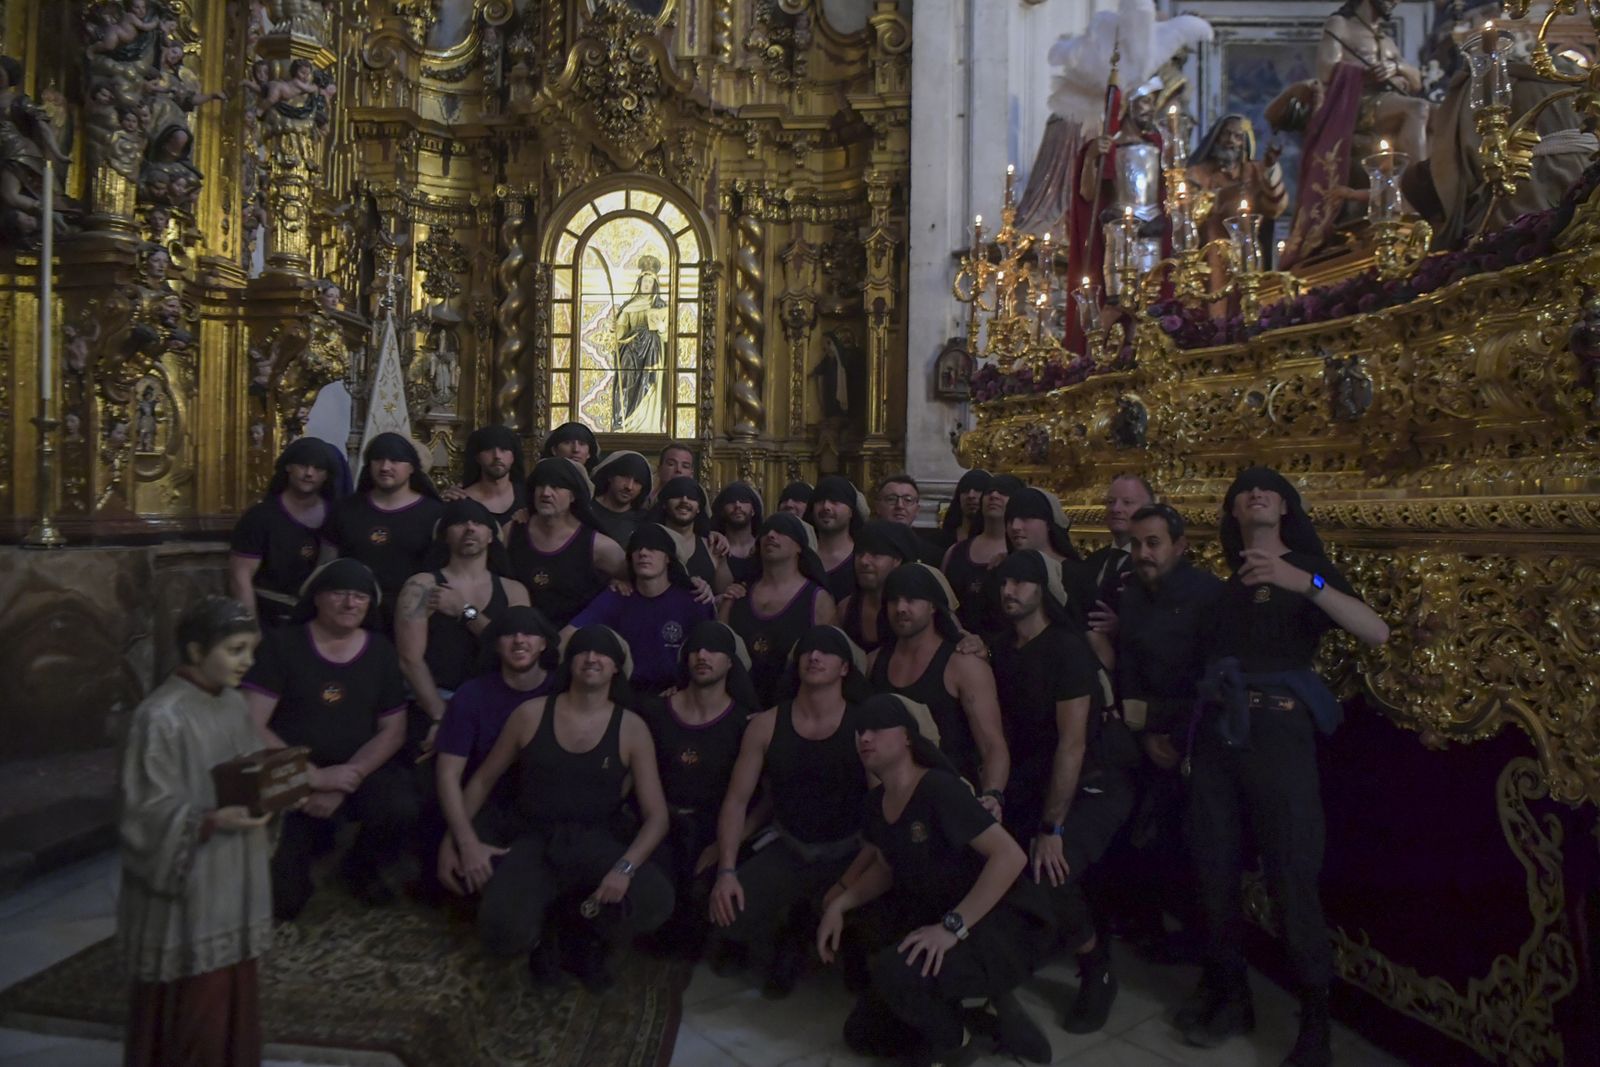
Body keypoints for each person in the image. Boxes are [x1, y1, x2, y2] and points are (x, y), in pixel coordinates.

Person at [1180, 468, 1388, 1066]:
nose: (1256, 491)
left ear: (1288, 507)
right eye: (1244, 488)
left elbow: (1376, 630)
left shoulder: (1307, 572)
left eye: (1269, 486)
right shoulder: (1223, 591)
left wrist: (1305, 581)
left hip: (1279, 738)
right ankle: (1230, 992)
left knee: (1292, 872)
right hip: (1221, 737)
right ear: (1233, 514)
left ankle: (1316, 1019)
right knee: (1212, 866)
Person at [818, 694, 1053, 1067]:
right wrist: (840, 904)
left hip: (990, 923)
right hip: (934, 915)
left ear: (908, 737)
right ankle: (974, 1017)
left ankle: (956, 1045)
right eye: (860, 730)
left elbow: (1010, 856)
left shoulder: (939, 788)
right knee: (862, 1034)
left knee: (897, 974)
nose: (865, 737)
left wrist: (952, 927)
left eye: (878, 728)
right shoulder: (876, 804)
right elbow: (885, 867)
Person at [458, 626, 675, 991]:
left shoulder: (631, 728)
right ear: (569, 663)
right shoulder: (530, 714)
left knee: (655, 900)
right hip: (534, 838)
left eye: (602, 653)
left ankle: (581, 931)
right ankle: (546, 933)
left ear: (615, 669)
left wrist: (624, 868)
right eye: (583, 651)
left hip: (597, 841)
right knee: (501, 933)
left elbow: (657, 818)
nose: (592, 658)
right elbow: (482, 781)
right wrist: (459, 839)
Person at [119, 597, 272, 1067]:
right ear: (193, 650)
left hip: (233, 869)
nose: (246, 662)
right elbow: (143, 811)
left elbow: (249, 770)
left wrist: (279, 788)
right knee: (194, 1006)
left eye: (250, 650)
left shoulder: (231, 704)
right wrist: (206, 820)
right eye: (235, 650)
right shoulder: (160, 716)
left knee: (231, 990)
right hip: (191, 878)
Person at [990, 549, 1132, 1034]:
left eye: (1022, 583)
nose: (1011, 591)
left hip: (1091, 783)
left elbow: (1071, 746)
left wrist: (1052, 828)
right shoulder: (1003, 647)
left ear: (1044, 589)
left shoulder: (1068, 650)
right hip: (1032, 783)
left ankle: (1098, 969)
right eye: (1005, 582)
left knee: (1052, 869)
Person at [241, 559, 417, 919]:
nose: (351, 603)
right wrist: (312, 778)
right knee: (282, 904)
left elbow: (393, 729)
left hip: (354, 773)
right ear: (317, 599)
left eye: (360, 596)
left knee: (402, 805)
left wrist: (346, 778)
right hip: (287, 771)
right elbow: (249, 724)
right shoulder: (281, 645)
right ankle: (308, 852)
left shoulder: (381, 651)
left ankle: (360, 865)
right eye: (339, 594)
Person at [710, 625, 868, 997]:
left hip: (849, 852)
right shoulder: (766, 725)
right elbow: (735, 800)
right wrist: (726, 870)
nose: (814, 657)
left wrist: (851, 884)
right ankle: (786, 928)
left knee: (869, 938)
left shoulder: (865, 726)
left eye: (826, 651)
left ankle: (807, 932)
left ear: (845, 668)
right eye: (808, 651)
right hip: (789, 845)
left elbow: (885, 810)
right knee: (727, 913)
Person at [1113, 503, 1222, 952]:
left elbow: (1212, 676)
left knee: (1195, 845)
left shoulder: (1208, 595)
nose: (1143, 553)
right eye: (1136, 544)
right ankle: (1147, 923)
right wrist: (1144, 735)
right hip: (1149, 734)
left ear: (1180, 546)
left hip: (1196, 738)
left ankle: (1199, 940)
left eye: (1153, 543)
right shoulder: (1132, 594)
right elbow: (1130, 670)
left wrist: (1178, 740)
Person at [645, 620, 761, 955]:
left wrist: (728, 844)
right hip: (660, 823)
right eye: (695, 649)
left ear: (730, 662)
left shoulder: (746, 723)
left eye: (714, 650)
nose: (703, 655)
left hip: (717, 826)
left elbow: (759, 799)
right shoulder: (655, 710)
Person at [432, 606, 560, 901]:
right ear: (494, 644)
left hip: (546, 805)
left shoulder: (564, 689)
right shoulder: (471, 695)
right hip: (487, 802)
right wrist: (459, 842)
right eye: (508, 634)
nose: (519, 640)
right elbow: (448, 774)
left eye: (529, 632)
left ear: (543, 643)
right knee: (464, 879)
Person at [394, 498, 531, 753]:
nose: (469, 528)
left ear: (491, 535)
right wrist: (441, 716)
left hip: (497, 706)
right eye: (459, 522)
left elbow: (517, 650)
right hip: (433, 703)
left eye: (478, 522)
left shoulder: (514, 591)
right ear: (445, 535)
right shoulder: (422, 585)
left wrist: (464, 611)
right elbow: (409, 659)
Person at [867, 564, 1008, 809]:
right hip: (892, 804)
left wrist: (993, 796)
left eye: (912, 599)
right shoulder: (873, 663)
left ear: (933, 606)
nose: (901, 608)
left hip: (951, 800)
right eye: (894, 600)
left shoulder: (963, 665)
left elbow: (992, 744)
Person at [565, 523, 714, 698]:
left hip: (679, 695)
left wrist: (686, 686)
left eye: (653, 547)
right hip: (625, 694)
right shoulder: (617, 596)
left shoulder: (695, 600)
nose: (643, 553)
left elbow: (713, 653)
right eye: (637, 548)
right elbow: (571, 634)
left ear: (668, 558)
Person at [321, 433, 444, 631]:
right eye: (378, 459)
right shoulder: (344, 510)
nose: (385, 467)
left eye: (395, 460)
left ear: (412, 467)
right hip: (352, 615)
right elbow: (327, 566)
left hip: (414, 619)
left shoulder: (435, 514)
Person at [719, 512, 838, 708]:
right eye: (765, 531)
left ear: (800, 546)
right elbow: (720, 650)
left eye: (782, 531)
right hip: (738, 708)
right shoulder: (737, 595)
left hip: (792, 709)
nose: (771, 535)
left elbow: (829, 661)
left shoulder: (818, 600)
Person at [229, 437, 342, 626]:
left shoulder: (338, 517)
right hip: (270, 619)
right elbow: (240, 578)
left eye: (318, 469)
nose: (309, 473)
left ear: (326, 475)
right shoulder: (260, 517)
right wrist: (251, 630)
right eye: (303, 466)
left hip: (321, 623)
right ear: (288, 467)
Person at [507, 456, 626, 628]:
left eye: (556, 487)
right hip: (521, 640)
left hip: (576, 643)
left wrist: (619, 584)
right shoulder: (511, 531)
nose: (546, 493)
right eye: (540, 486)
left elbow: (637, 580)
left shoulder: (599, 546)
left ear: (573, 496)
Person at [943, 474, 1019, 637]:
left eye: (1003, 492)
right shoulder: (955, 552)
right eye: (989, 492)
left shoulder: (1022, 555)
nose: (994, 496)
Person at [838, 519, 922, 653]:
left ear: (897, 560)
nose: (864, 561)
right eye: (859, 553)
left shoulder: (921, 609)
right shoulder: (845, 609)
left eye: (875, 554)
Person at [442, 424, 525, 531]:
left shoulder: (528, 496)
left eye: (503, 449)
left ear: (513, 456)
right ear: (477, 457)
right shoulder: (460, 500)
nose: (497, 456)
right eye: (489, 449)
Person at [808, 475, 867, 603]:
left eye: (835, 501)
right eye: (820, 501)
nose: (826, 507)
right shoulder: (800, 554)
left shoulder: (863, 558)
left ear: (851, 511)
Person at [652, 475, 718, 587]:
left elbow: (722, 592)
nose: (684, 500)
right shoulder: (647, 543)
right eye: (677, 495)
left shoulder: (712, 547)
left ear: (699, 508)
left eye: (691, 497)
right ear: (664, 504)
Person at [873, 473, 945, 566]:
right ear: (877, 507)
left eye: (907, 500)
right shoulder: (863, 548)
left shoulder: (933, 555)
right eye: (891, 499)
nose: (899, 505)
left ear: (917, 510)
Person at [589, 449, 653, 548]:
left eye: (637, 481)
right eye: (624, 476)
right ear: (610, 476)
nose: (629, 487)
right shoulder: (585, 510)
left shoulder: (644, 521)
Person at [711, 480, 764, 590]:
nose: (737, 505)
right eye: (731, 501)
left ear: (753, 510)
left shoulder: (764, 546)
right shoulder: (713, 546)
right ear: (722, 510)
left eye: (744, 500)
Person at [936, 468, 991, 553]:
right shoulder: (941, 540)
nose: (971, 495)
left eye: (978, 489)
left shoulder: (999, 543)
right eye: (965, 490)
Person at [650, 441, 697, 506]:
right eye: (671, 464)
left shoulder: (698, 502)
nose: (678, 470)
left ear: (691, 474)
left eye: (685, 466)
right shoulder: (645, 502)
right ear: (659, 470)